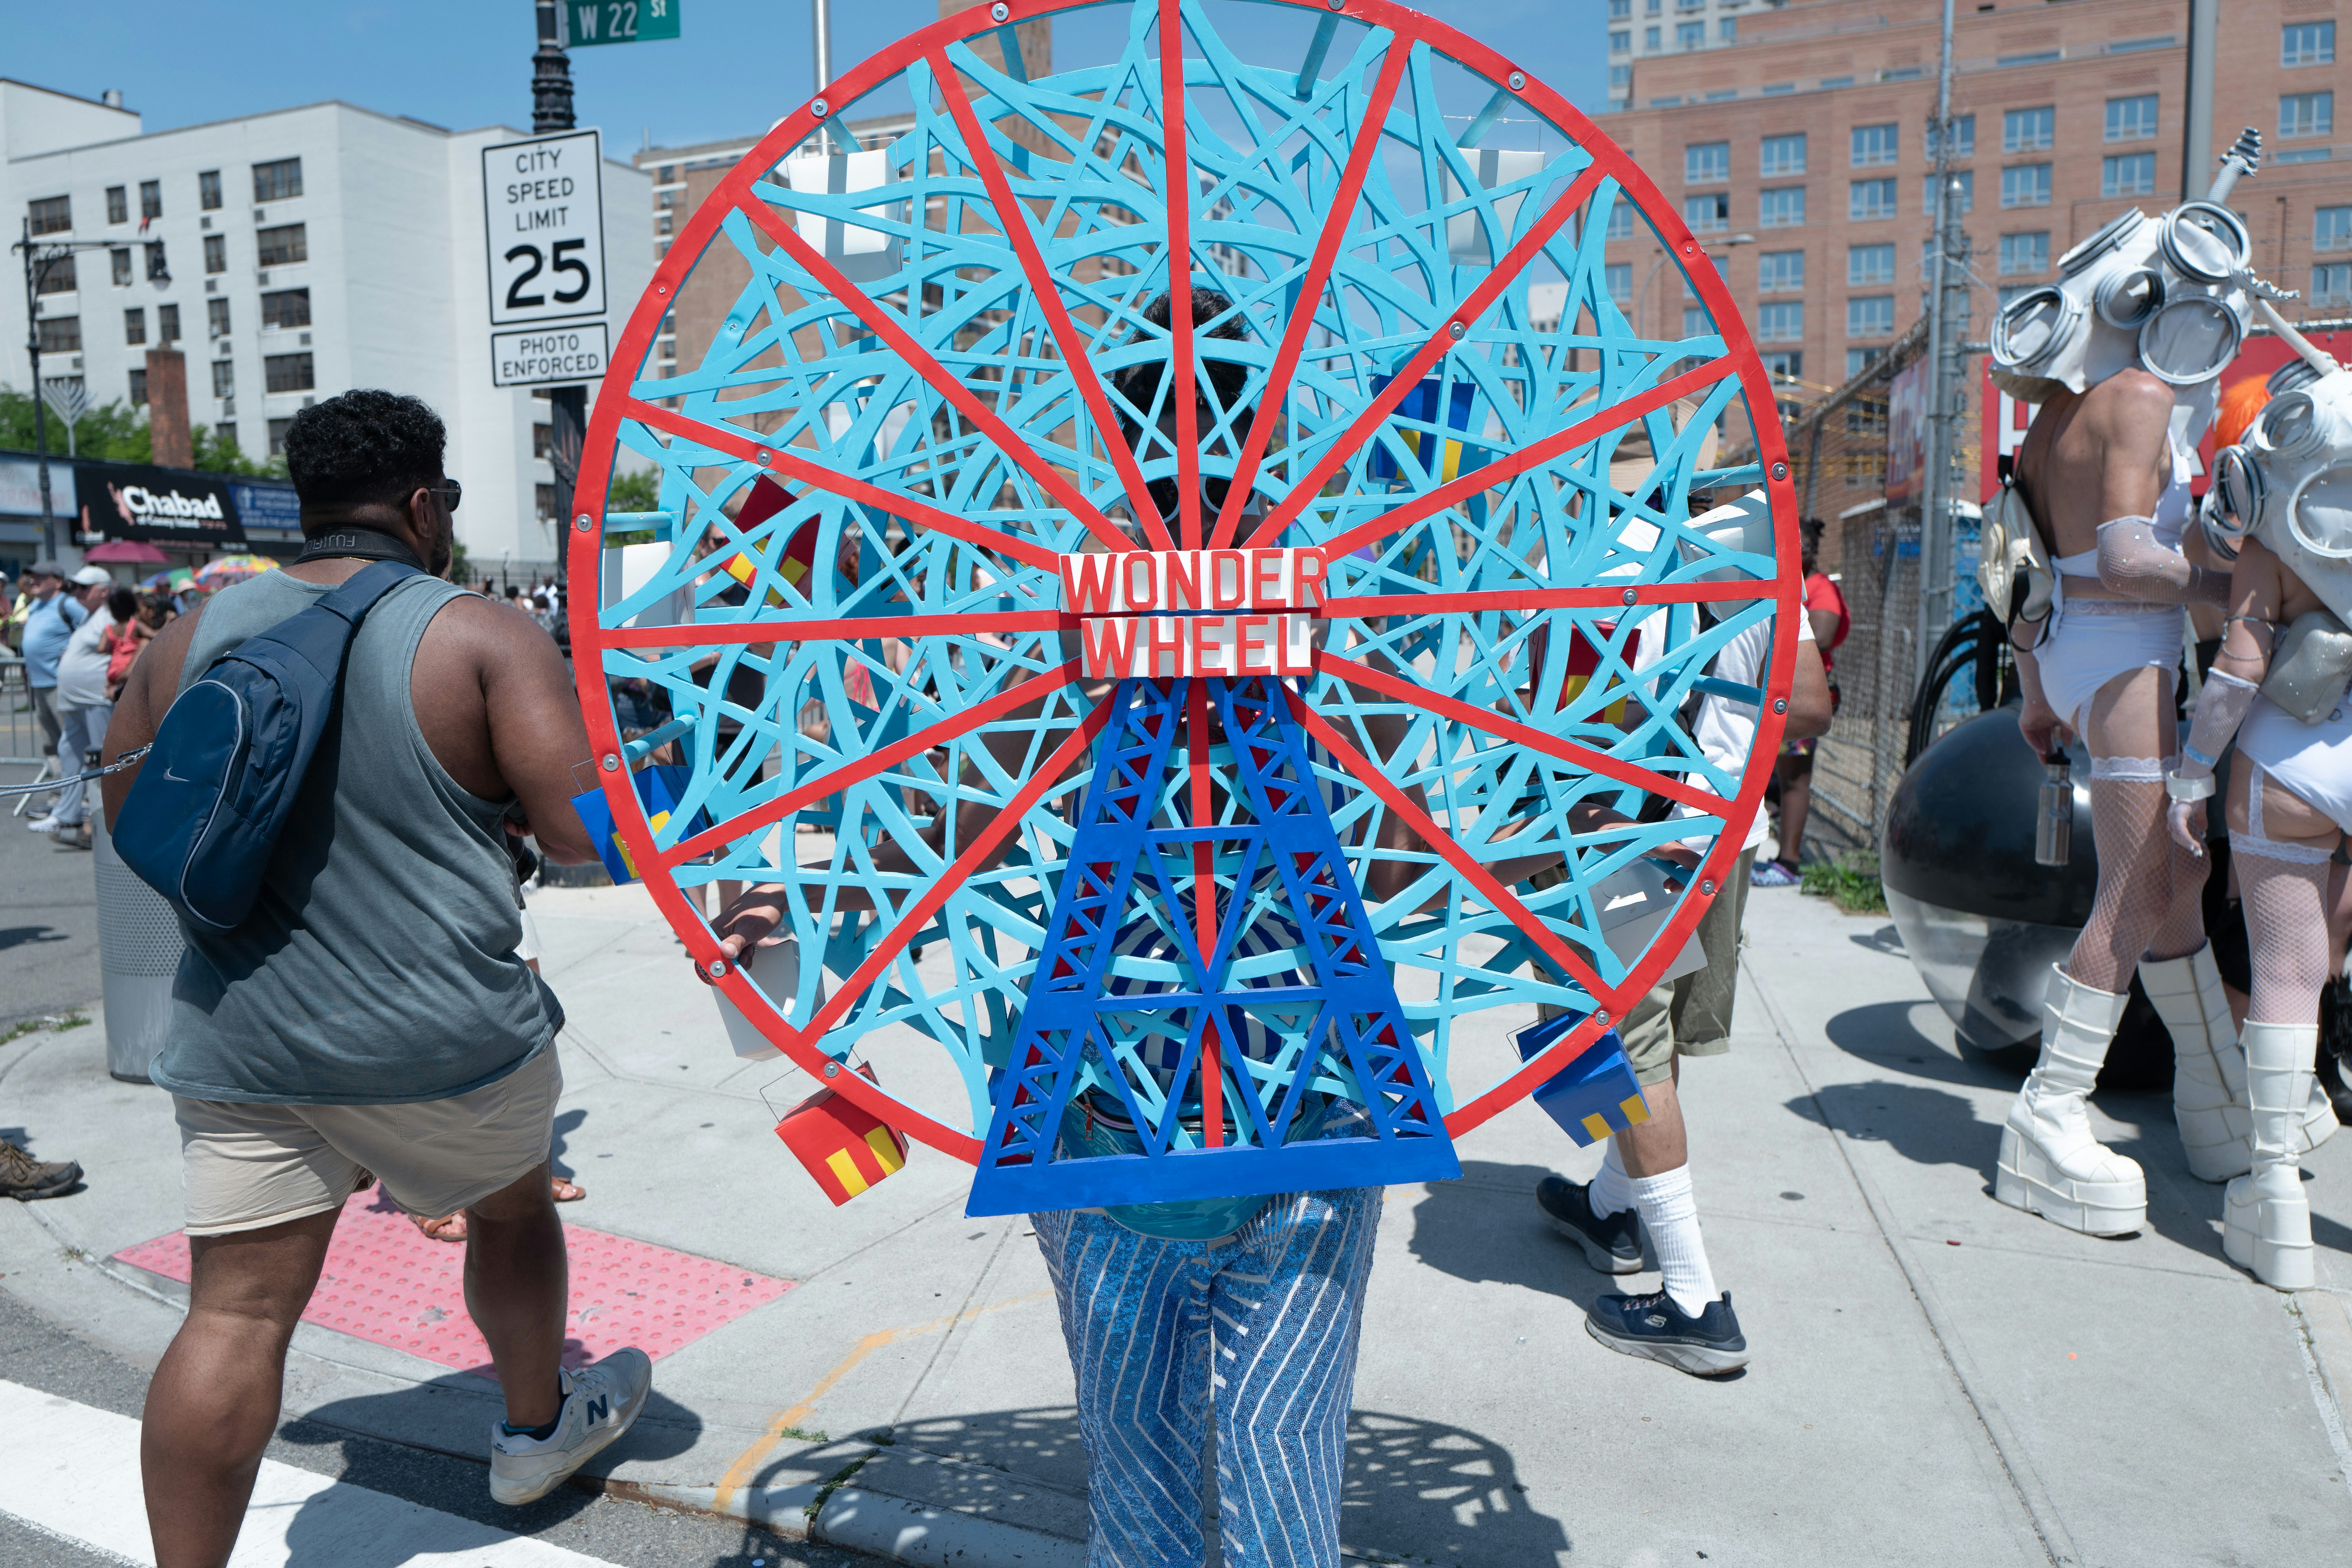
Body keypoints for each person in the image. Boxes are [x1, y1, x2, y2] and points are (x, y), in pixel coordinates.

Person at [102, 389, 650, 1562]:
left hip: (243, 1036)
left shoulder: (189, 636)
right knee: (510, 1209)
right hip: (444, 1035)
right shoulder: (480, 633)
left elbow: (132, 821)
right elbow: (583, 837)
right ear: (423, 505)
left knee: (234, 1312)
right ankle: (535, 1432)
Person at [1987, 191, 2332, 1232]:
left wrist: (2036, 689)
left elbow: (2024, 566)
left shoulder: (2052, 418)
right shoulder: (2136, 396)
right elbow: (2130, 559)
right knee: (2141, 884)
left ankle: (2214, 1095)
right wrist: (2250, 586)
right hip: (2125, 656)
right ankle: (2051, 1107)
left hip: (2074, 657)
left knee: (2174, 878)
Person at [1538, 493, 1833, 1375]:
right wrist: (1717, 768)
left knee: (1625, 1050)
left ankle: (1693, 1300)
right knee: (1653, 1044)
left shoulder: (1596, 539)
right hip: (1726, 834)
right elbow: (1808, 707)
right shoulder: (1762, 532)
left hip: (1624, 839)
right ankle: (1612, 1207)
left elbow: (1545, 707)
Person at [2161, 359, 2352, 1288]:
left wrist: (2191, 775)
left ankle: (2274, 1196)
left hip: (2287, 764)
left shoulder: (2272, 543)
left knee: (2286, 972)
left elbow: (2236, 670)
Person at [1755, 518, 1846, 886]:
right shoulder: (1793, 579)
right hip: (1783, 692)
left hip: (1801, 695)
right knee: (1781, 775)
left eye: (1804, 546)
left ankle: (1789, 863)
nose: (1797, 551)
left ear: (1815, 550)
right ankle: (1782, 858)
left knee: (1794, 779)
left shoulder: (1820, 587)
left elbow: (1821, 636)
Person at [40, 567, 121, 849]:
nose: (77, 592)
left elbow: (126, 650)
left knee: (102, 759)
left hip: (95, 699)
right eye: (75, 587)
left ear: (104, 591)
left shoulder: (112, 616)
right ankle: (68, 814)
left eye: (84, 588)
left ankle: (102, 823)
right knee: (70, 753)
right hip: (77, 700)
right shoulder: (89, 616)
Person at [19, 561, 85, 828]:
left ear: (57, 581)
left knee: (70, 744)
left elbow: (92, 629)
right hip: (39, 685)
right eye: (32, 577)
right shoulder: (35, 605)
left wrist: (74, 650)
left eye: (40, 577)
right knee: (52, 745)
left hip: (60, 685)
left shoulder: (68, 605)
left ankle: (79, 801)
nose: (32, 581)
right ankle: (59, 798)